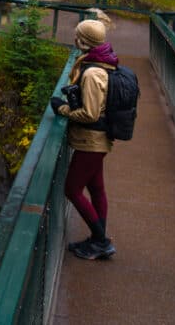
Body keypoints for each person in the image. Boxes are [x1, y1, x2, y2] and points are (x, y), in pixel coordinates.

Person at [50, 14, 117, 260]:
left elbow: (89, 113)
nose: (74, 37)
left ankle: (101, 241)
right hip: (98, 140)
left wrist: (62, 109)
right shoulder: (102, 62)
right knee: (96, 187)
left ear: (85, 40)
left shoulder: (92, 74)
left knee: (72, 189)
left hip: (91, 140)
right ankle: (98, 237)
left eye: (78, 34)